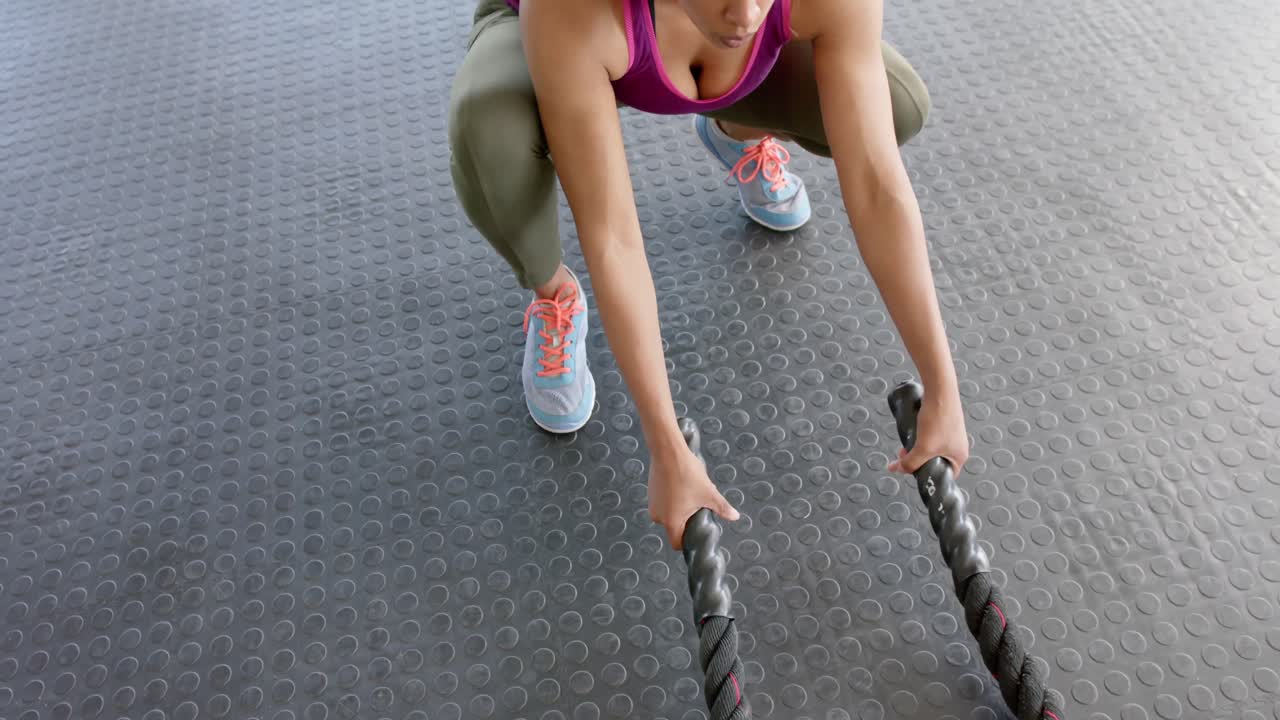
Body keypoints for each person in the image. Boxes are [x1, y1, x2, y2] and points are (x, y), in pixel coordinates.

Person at [448, 0, 969, 549]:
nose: (744, 13)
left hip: (692, 52)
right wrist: (666, 448)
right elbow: (613, 238)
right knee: (490, 124)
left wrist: (942, 385)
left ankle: (738, 128)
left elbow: (877, 188)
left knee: (897, 103)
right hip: (574, 32)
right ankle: (553, 292)